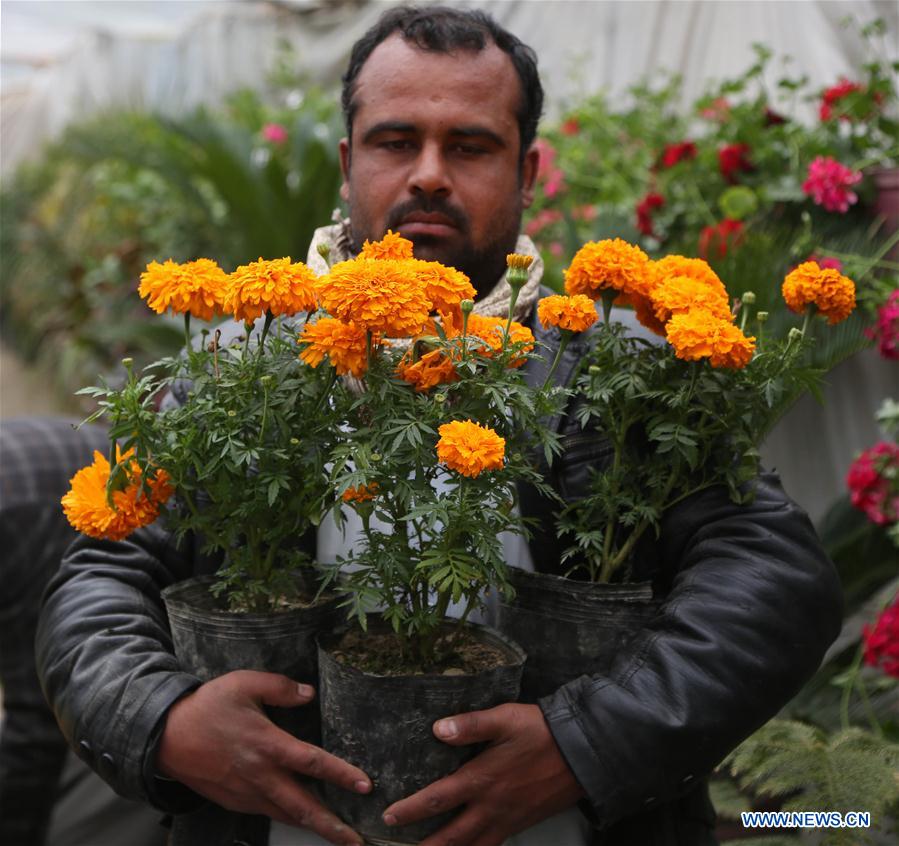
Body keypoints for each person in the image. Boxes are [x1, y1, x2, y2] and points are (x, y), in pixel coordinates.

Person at [36, 6, 843, 846]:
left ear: (526, 171)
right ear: (348, 163)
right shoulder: (236, 368)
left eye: (469, 146)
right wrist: (162, 719)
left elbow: (773, 576)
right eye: (394, 141)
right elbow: (103, 575)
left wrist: (587, 740)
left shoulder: (616, 372)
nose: (428, 175)